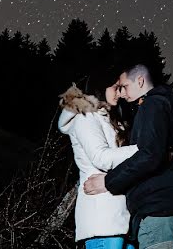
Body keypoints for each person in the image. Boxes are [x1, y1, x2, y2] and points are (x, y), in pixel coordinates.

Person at [83, 64, 173, 249]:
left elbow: (150, 154)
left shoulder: (152, 105)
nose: (122, 94)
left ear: (140, 81)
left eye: (124, 86)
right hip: (170, 207)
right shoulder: (165, 105)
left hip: (157, 209)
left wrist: (108, 181)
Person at [58, 71, 138, 249]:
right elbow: (100, 158)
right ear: (101, 86)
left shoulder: (109, 119)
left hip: (120, 220)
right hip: (102, 220)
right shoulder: (85, 118)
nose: (120, 93)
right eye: (115, 87)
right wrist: (142, 149)